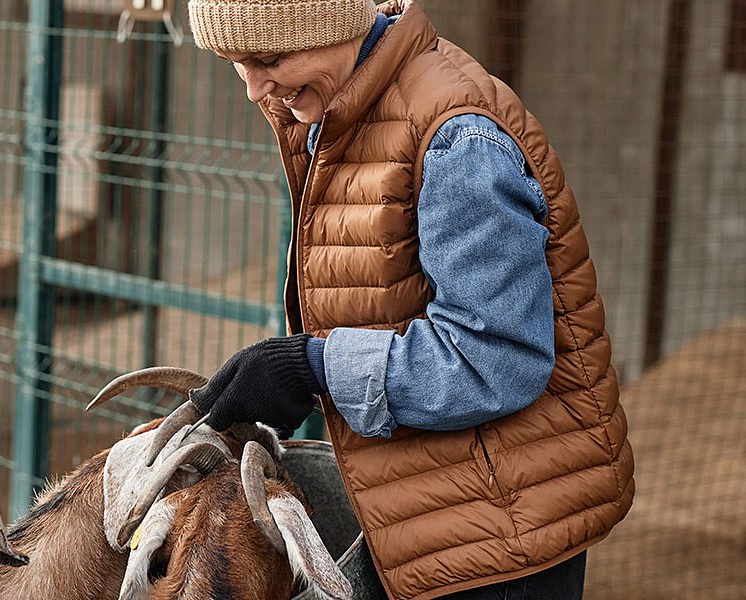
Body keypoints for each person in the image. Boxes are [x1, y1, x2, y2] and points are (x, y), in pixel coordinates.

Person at [180, 1, 634, 598]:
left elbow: (496, 357)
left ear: (330, 26)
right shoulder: (341, 113)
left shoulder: (456, 140)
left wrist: (313, 367)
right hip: (434, 514)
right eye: (237, 63)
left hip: (501, 540)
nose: (254, 88)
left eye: (268, 58)